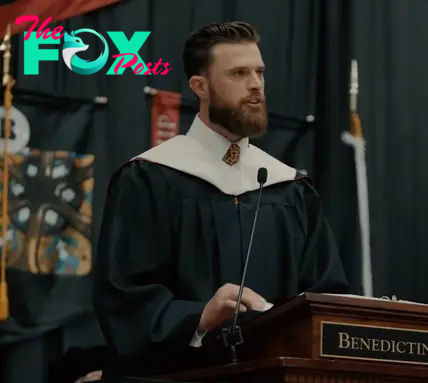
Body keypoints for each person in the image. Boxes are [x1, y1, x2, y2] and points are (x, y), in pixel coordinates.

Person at [92, 21, 349, 379]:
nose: (256, 84)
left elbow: (324, 299)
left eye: (259, 72)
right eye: (239, 73)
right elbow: (125, 298)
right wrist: (199, 318)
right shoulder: (150, 177)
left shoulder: (288, 188)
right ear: (201, 86)